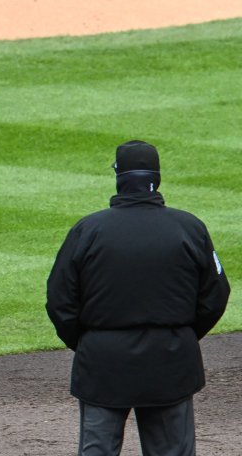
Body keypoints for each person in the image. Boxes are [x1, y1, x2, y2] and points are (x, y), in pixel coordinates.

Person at [46, 140, 230, 456]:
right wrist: (181, 334)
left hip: (103, 364)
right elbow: (216, 294)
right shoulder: (189, 228)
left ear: (119, 176)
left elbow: (59, 299)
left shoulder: (87, 230)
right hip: (170, 361)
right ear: (156, 177)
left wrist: (90, 342)